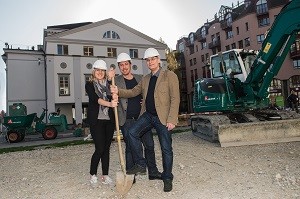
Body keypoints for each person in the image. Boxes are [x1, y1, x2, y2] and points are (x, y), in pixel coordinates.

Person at [111, 48, 180, 192]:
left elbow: (175, 98)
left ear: (158, 60)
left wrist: (172, 119)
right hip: (148, 115)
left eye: (153, 59)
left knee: (166, 149)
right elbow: (133, 92)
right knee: (131, 133)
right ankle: (141, 164)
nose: (150, 62)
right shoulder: (146, 79)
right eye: (148, 60)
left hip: (163, 118)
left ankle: (167, 178)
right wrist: (118, 91)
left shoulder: (170, 76)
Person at [114, 52, 162, 181]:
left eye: (126, 64)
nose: (124, 67)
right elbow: (110, 94)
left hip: (142, 118)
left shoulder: (141, 78)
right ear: (119, 67)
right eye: (121, 65)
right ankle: (131, 176)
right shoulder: (115, 81)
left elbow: (149, 93)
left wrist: (145, 101)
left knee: (149, 145)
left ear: (130, 64)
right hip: (127, 119)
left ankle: (153, 172)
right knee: (130, 147)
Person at [85, 59, 118, 187]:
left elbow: (114, 96)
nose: (99, 72)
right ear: (94, 71)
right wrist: (110, 103)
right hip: (96, 121)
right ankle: (93, 174)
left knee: (106, 149)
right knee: (99, 148)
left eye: (102, 70)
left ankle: (105, 175)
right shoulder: (89, 84)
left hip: (109, 121)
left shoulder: (109, 85)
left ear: (105, 72)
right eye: (97, 70)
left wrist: (114, 95)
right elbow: (95, 99)